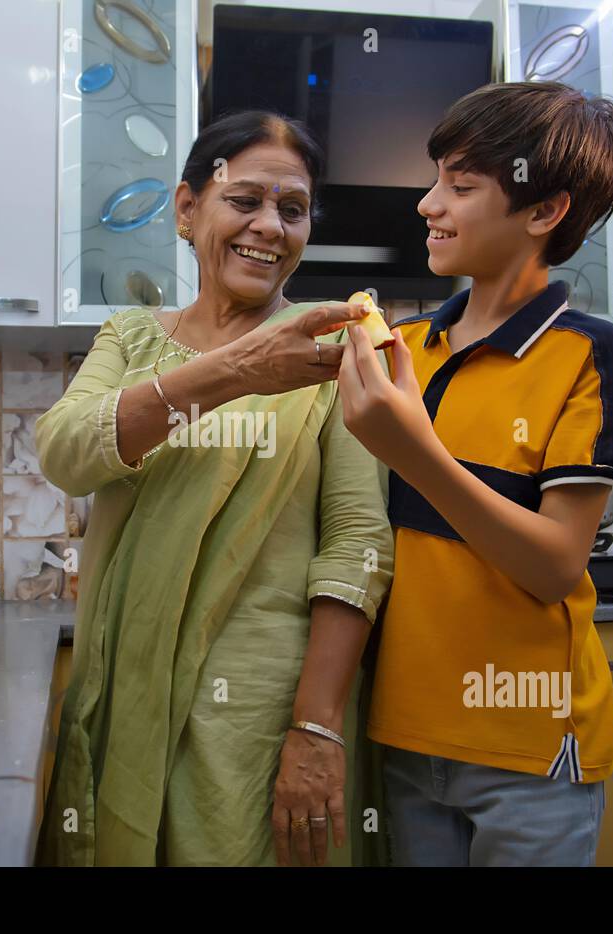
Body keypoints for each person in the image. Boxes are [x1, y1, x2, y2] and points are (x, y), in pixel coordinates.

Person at [34, 110, 393, 866]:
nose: (270, 225)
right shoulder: (131, 338)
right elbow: (66, 451)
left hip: (261, 717)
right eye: (245, 199)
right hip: (124, 693)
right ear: (188, 207)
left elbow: (359, 542)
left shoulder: (334, 352)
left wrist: (318, 729)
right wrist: (233, 371)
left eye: (292, 210)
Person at [335, 82, 613, 866]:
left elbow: (553, 563)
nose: (428, 204)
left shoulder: (588, 353)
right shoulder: (406, 347)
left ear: (544, 213)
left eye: (461, 187)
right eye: (437, 177)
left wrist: (416, 454)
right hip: (407, 733)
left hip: (528, 746)